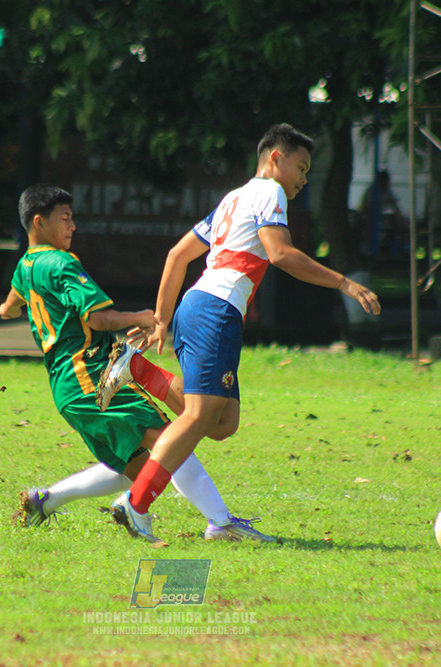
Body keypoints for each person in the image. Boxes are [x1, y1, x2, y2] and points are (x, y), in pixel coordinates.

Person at [107, 123, 381, 543]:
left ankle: (142, 374)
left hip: (202, 308)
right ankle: (137, 502)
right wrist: (344, 283)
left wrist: (163, 318)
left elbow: (178, 255)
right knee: (200, 415)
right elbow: (281, 254)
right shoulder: (269, 192)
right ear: (275, 158)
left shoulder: (233, 197)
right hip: (214, 310)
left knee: (222, 423)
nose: (304, 179)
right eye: (301, 167)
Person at [0, 183, 275, 542]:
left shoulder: (26, 264)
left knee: (139, 467)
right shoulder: (61, 262)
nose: (73, 226)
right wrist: (140, 316)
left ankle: (45, 501)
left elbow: (17, 292)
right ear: (39, 222)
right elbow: (96, 318)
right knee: (171, 443)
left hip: (67, 388)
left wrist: (8, 307)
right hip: (91, 376)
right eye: (65, 219)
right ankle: (222, 523)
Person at [357, 170, 407, 258]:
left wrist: (397, 215)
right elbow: (367, 206)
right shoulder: (371, 190)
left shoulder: (387, 191)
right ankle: (366, 245)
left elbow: (393, 205)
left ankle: (401, 246)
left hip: (381, 216)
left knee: (399, 220)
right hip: (369, 215)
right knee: (369, 222)